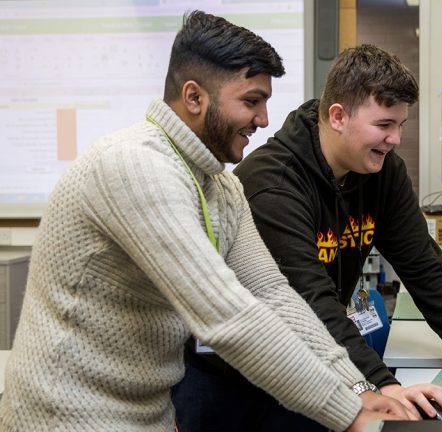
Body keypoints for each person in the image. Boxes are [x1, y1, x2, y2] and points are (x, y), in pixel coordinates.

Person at [0, 13, 409, 432]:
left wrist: (358, 387)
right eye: (251, 101)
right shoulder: (134, 167)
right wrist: (350, 414)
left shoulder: (220, 186)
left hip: (147, 414)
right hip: (64, 417)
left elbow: (273, 295)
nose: (264, 119)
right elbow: (226, 316)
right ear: (194, 98)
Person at [173, 44, 442, 430]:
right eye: (384, 125)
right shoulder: (273, 185)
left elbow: (421, 265)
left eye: (400, 125)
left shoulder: (382, 172)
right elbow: (311, 301)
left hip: (305, 362)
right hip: (226, 375)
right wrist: (381, 384)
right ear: (338, 116)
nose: (394, 139)